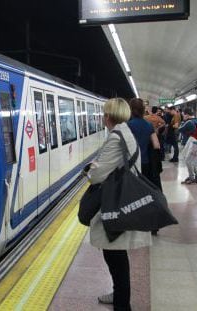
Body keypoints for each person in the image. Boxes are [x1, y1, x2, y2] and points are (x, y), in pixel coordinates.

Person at [84, 98, 152, 310]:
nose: (103, 117)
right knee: (116, 254)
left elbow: (97, 176)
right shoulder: (126, 132)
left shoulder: (116, 136)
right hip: (122, 196)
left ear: (109, 116)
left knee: (115, 256)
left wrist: (91, 169)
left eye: (104, 114)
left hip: (116, 201)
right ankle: (119, 295)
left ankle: (122, 304)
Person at [179, 109, 197, 184]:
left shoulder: (189, 122)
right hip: (195, 143)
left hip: (187, 143)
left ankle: (191, 177)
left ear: (187, 115)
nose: (182, 116)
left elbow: (179, 129)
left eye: (183, 115)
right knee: (191, 160)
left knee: (188, 161)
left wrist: (181, 124)